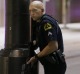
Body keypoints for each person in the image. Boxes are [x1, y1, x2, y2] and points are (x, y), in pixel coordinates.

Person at [27, 1, 67, 74]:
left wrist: (36, 57)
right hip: (51, 64)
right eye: (30, 11)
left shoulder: (46, 23)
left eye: (34, 10)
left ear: (42, 10)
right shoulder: (40, 22)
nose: (32, 13)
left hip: (55, 65)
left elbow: (53, 46)